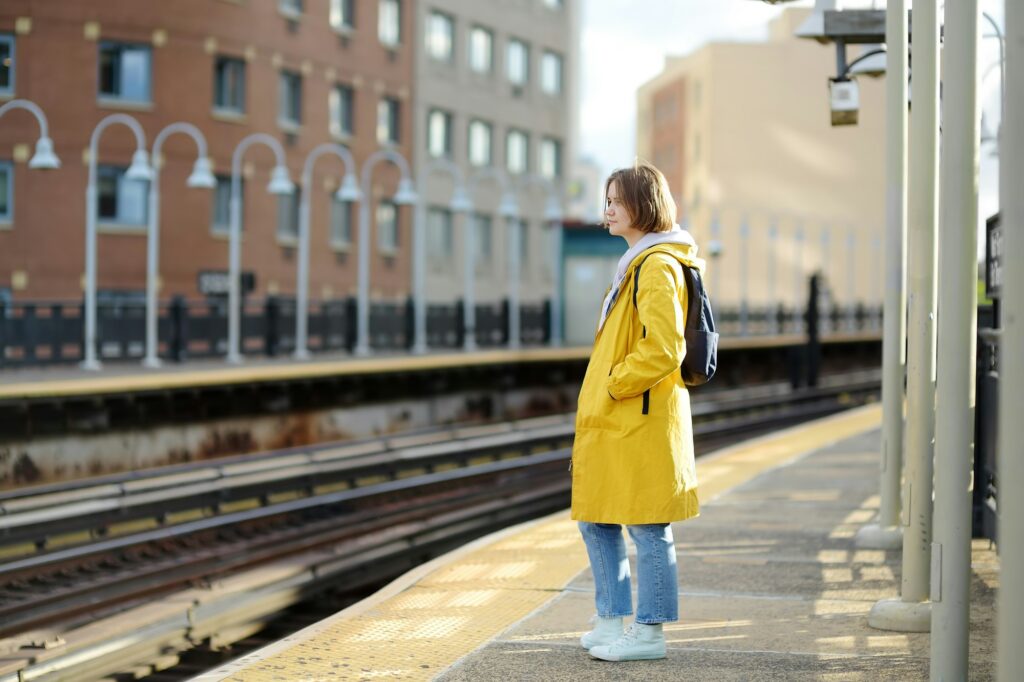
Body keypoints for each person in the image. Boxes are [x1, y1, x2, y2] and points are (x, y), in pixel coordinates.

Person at [571, 161, 703, 662]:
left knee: (647, 526)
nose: (605, 210)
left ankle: (648, 633)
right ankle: (610, 620)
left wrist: (614, 383)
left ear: (642, 205)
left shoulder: (658, 265)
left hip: (638, 416)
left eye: (614, 201)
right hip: (620, 417)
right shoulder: (636, 263)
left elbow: (664, 348)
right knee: (597, 517)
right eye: (606, 201)